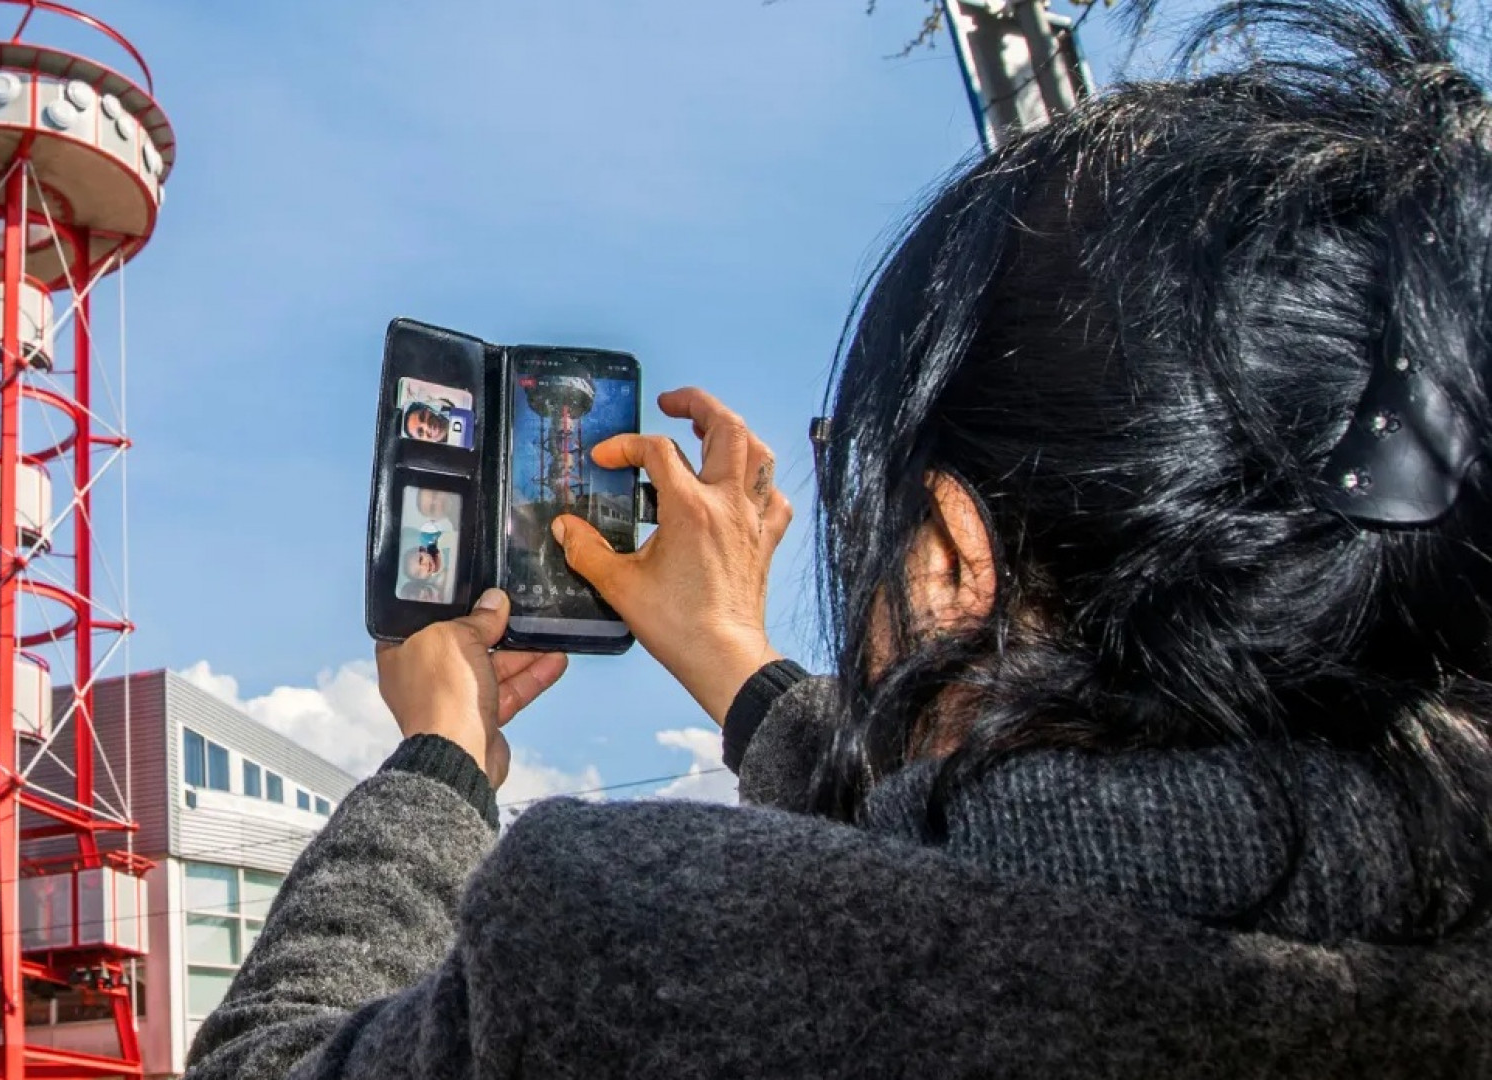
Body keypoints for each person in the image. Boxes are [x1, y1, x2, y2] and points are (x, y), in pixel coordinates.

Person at [191, 1, 1492, 1075]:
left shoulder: (639, 950)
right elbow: (993, 854)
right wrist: (734, 662)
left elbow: (266, 1061)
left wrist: (436, 761)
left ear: (945, 557)